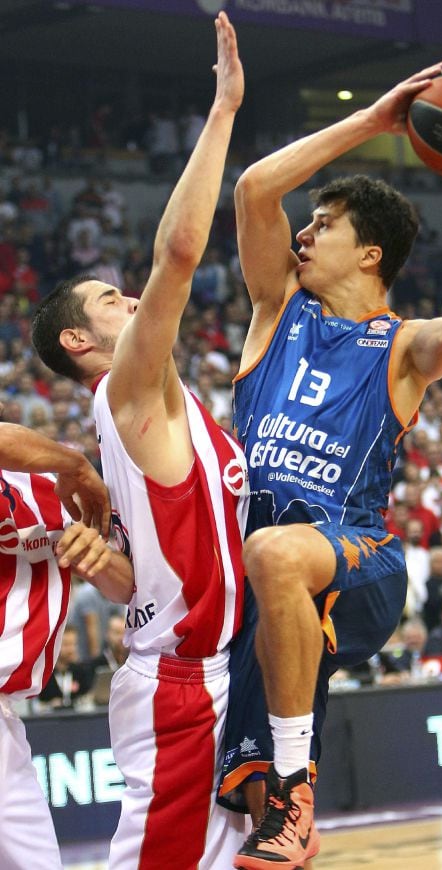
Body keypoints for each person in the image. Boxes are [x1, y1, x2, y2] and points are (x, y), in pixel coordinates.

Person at [217, 58, 442, 869]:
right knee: (258, 831)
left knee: (275, 553)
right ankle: (283, 805)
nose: (303, 233)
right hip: (265, 583)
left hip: (355, 554)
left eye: (324, 224)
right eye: (309, 221)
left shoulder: (400, 345)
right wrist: (372, 120)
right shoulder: (274, 313)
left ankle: (291, 788)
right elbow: (253, 189)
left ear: (370, 254)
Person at [31, 13, 249, 870]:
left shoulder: (156, 410)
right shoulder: (125, 390)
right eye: (110, 301)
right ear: (81, 345)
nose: (130, 300)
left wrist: (104, 561)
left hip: (218, 668)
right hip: (182, 684)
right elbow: (182, 250)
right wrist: (225, 108)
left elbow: (135, 580)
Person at [0, 421, 134, 870]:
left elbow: (123, 589)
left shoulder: (50, 487)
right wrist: (75, 461)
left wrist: (95, 551)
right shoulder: (63, 466)